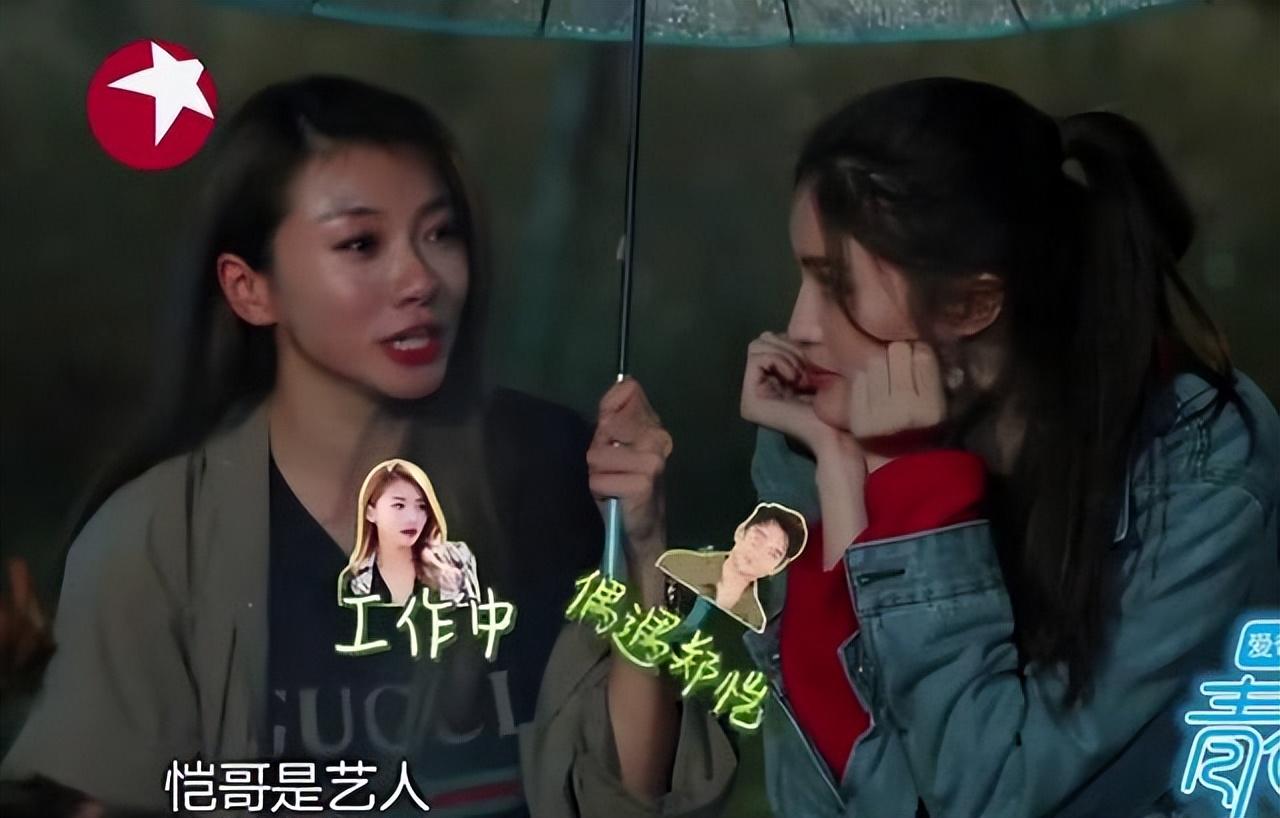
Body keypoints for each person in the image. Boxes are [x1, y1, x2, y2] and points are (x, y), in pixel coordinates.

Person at [0, 75, 734, 817]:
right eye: (360, 243)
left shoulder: (557, 467)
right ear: (250, 288)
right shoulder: (159, 540)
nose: (419, 280)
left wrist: (642, 548)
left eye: (440, 234)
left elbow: (629, 791)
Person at [739, 77, 1279, 818]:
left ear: (972, 304)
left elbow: (994, 793)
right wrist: (842, 477)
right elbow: (834, 797)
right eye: (802, 277)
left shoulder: (1199, 463)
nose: (799, 328)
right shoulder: (814, 443)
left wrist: (913, 493)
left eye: (837, 285)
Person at [344, 459, 480, 606]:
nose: (412, 518)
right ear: (370, 513)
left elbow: (473, 616)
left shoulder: (456, 559)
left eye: (421, 507)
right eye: (399, 505)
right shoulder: (356, 580)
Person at [655, 503, 806, 632]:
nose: (758, 553)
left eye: (773, 553)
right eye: (758, 538)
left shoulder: (754, 623)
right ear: (740, 532)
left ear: (776, 568)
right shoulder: (676, 565)